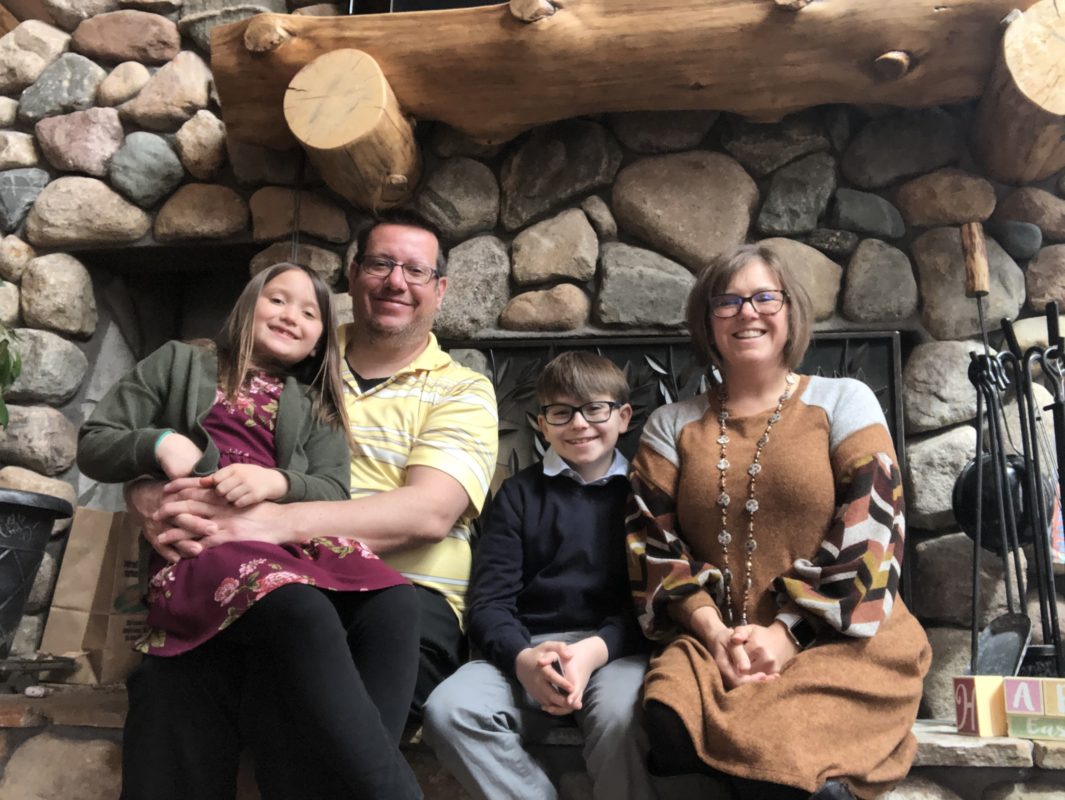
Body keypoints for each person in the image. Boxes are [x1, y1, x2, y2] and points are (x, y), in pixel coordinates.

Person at [78, 263, 422, 800]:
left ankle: (359, 782)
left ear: (320, 341)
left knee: (398, 601)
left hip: (286, 544)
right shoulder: (179, 362)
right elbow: (97, 440)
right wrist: (161, 443)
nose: (291, 316)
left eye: (310, 313)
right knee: (299, 606)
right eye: (278, 300)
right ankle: (394, 792)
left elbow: (333, 489)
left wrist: (277, 480)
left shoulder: (315, 403)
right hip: (206, 547)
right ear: (247, 306)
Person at [626, 244, 931, 800]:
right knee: (669, 721)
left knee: (772, 751)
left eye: (765, 296)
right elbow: (652, 542)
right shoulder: (671, 425)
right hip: (714, 643)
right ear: (707, 322)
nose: (747, 312)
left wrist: (788, 632)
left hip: (838, 638)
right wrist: (716, 633)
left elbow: (874, 528)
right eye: (728, 302)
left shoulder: (845, 401)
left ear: (790, 312)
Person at [423, 351, 655, 800]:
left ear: (623, 416)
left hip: (613, 651)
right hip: (527, 648)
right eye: (561, 412)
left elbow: (652, 601)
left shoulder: (643, 494)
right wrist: (522, 660)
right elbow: (489, 603)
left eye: (595, 409)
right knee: (450, 710)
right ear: (542, 424)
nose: (580, 424)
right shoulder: (518, 495)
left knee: (623, 717)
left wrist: (594, 651)